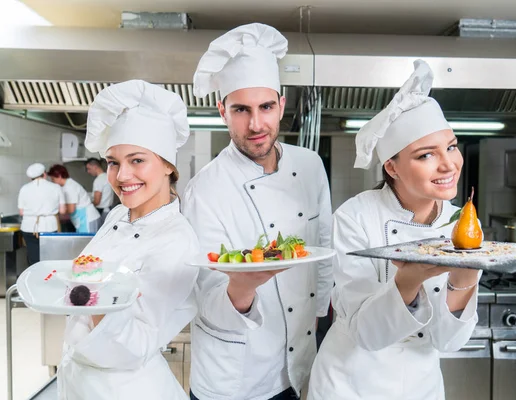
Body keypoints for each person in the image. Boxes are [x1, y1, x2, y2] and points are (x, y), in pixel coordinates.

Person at [307, 60, 481, 400]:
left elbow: (449, 341)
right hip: (349, 384)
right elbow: (367, 335)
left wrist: (465, 278)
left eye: (451, 146)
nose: (449, 164)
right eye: (426, 155)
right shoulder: (354, 217)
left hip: (421, 385)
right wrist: (408, 280)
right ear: (392, 167)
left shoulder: (462, 221)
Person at [182, 23, 333, 400]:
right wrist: (244, 286)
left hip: (300, 362)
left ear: (282, 105)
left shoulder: (310, 165)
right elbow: (204, 300)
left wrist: (322, 312)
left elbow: (324, 245)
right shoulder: (205, 189)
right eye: (241, 110)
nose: (256, 124)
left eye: (266, 107)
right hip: (236, 377)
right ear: (222, 110)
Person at [57, 79, 200, 399]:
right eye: (113, 163)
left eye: (137, 160)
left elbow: (132, 345)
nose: (122, 176)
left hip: (125, 388)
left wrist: (91, 290)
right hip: (81, 382)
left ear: (167, 165)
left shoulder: (177, 240)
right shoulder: (119, 215)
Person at [17, 163, 66, 265]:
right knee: (49, 258)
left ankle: (33, 279)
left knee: (33, 257)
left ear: (31, 178)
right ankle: (47, 279)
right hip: (49, 226)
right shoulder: (56, 187)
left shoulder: (24, 188)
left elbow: (21, 212)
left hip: (29, 227)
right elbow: (62, 211)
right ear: (44, 174)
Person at [47, 164, 101, 233]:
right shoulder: (65, 186)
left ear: (59, 176)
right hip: (83, 219)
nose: (52, 181)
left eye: (53, 179)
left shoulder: (70, 187)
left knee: (89, 242)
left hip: (88, 219)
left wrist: (56, 213)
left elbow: (71, 209)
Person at [85, 157, 114, 225]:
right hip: (109, 210)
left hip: (101, 212)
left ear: (95, 167)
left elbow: (97, 201)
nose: (88, 171)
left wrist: (87, 205)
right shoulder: (107, 176)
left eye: (89, 169)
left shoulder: (98, 180)